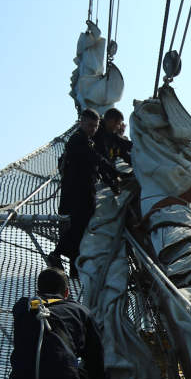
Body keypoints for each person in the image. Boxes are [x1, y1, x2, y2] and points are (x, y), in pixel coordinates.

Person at [49, 109, 118, 277]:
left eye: (95, 126)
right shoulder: (77, 140)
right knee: (80, 224)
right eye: (90, 125)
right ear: (81, 123)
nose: (93, 129)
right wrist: (113, 172)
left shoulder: (86, 140)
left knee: (80, 230)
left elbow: (95, 165)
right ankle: (56, 254)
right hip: (78, 193)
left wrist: (111, 181)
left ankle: (74, 268)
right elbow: (94, 159)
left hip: (79, 192)